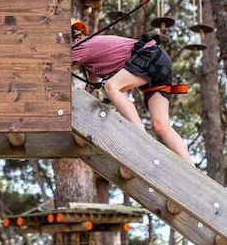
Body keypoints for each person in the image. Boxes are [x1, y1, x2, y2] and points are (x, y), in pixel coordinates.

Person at [70, 18, 194, 165]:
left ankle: (141, 136)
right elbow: (89, 90)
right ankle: (190, 166)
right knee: (161, 125)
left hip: (148, 58)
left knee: (111, 87)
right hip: (158, 61)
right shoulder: (90, 56)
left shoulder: (82, 47)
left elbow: (57, 64)